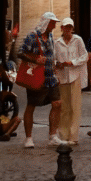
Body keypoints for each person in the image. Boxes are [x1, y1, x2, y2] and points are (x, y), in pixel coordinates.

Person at [19, 11, 65, 148]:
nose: (54, 26)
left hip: (51, 77)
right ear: (46, 23)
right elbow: (20, 52)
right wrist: (35, 59)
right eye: (52, 23)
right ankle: (28, 138)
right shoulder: (32, 36)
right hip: (36, 77)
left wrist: (56, 71)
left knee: (57, 103)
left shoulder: (50, 36)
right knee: (31, 105)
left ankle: (53, 136)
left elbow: (52, 55)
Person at [54, 18, 88, 146]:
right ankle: (63, 135)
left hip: (75, 76)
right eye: (65, 27)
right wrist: (58, 64)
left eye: (70, 27)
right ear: (62, 28)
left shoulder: (78, 40)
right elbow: (53, 58)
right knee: (64, 108)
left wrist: (72, 63)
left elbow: (84, 56)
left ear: (72, 28)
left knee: (75, 107)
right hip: (62, 78)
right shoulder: (57, 43)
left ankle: (73, 137)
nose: (68, 29)